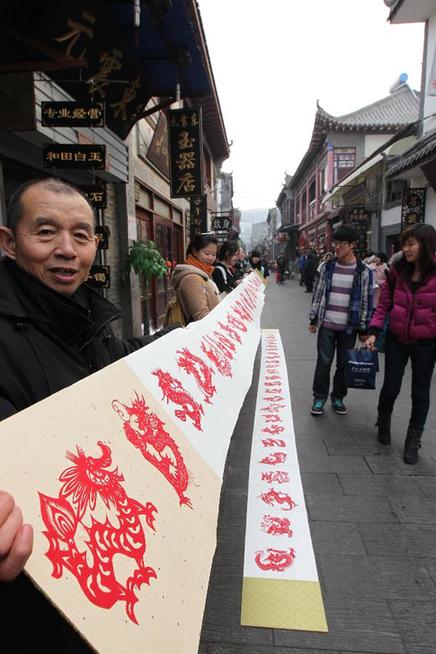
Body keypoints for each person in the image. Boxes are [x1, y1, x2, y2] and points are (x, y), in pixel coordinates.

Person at [0, 177, 174, 652]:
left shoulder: (78, 313)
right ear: (9, 243)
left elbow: (116, 360)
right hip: (35, 590)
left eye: (80, 235)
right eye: (45, 232)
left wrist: (181, 342)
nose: (66, 250)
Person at [366, 223, 436, 464]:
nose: (406, 249)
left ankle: (413, 441)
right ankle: (383, 422)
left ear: (425, 245)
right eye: (404, 244)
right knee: (390, 388)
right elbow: (384, 303)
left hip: (426, 343)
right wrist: (374, 331)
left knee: (420, 394)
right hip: (396, 340)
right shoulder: (397, 271)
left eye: (411, 244)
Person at [308, 224, 374, 416]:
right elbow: (318, 294)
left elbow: (365, 301)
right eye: (335, 243)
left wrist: (363, 329)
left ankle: (338, 397)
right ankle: (319, 398)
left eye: (342, 244)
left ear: (352, 244)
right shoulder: (327, 267)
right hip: (327, 324)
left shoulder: (364, 271)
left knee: (343, 365)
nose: (337, 247)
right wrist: (313, 319)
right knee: (323, 363)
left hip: (349, 328)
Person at [171, 232, 220, 323]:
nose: (211, 258)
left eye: (214, 254)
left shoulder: (205, 272)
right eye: (207, 253)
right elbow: (201, 317)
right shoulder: (191, 278)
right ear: (195, 251)